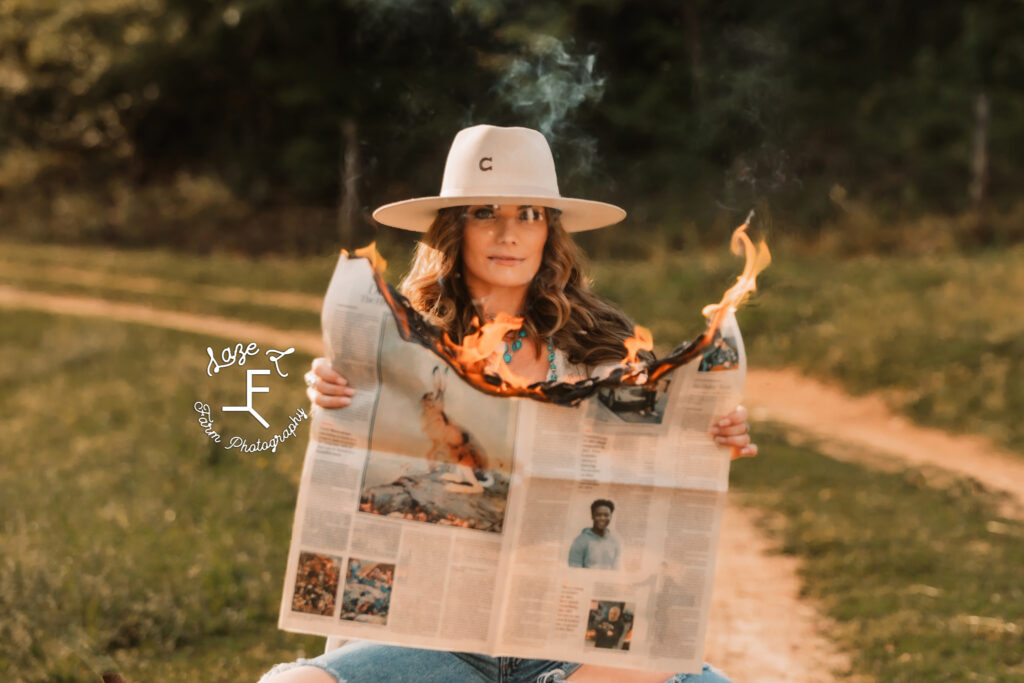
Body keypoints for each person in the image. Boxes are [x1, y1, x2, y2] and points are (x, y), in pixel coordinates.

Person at [262, 125, 755, 683]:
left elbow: (653, 479)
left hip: (569, 641)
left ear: (550, 231)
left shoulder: (601, 350)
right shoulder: (399, 344)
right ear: (453, 229)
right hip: (437, 644)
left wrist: (710, 437)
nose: (508, 233)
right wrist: (334, 400)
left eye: (529, 215)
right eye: (485, 212)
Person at [568, 499, 621, 569]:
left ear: (610, 517)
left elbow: (616, 569)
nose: (602, 518)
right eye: (598, 515)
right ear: (592, 516)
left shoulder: (614, 542)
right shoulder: (580, 541)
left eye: (606, 515)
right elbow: (574, 568)